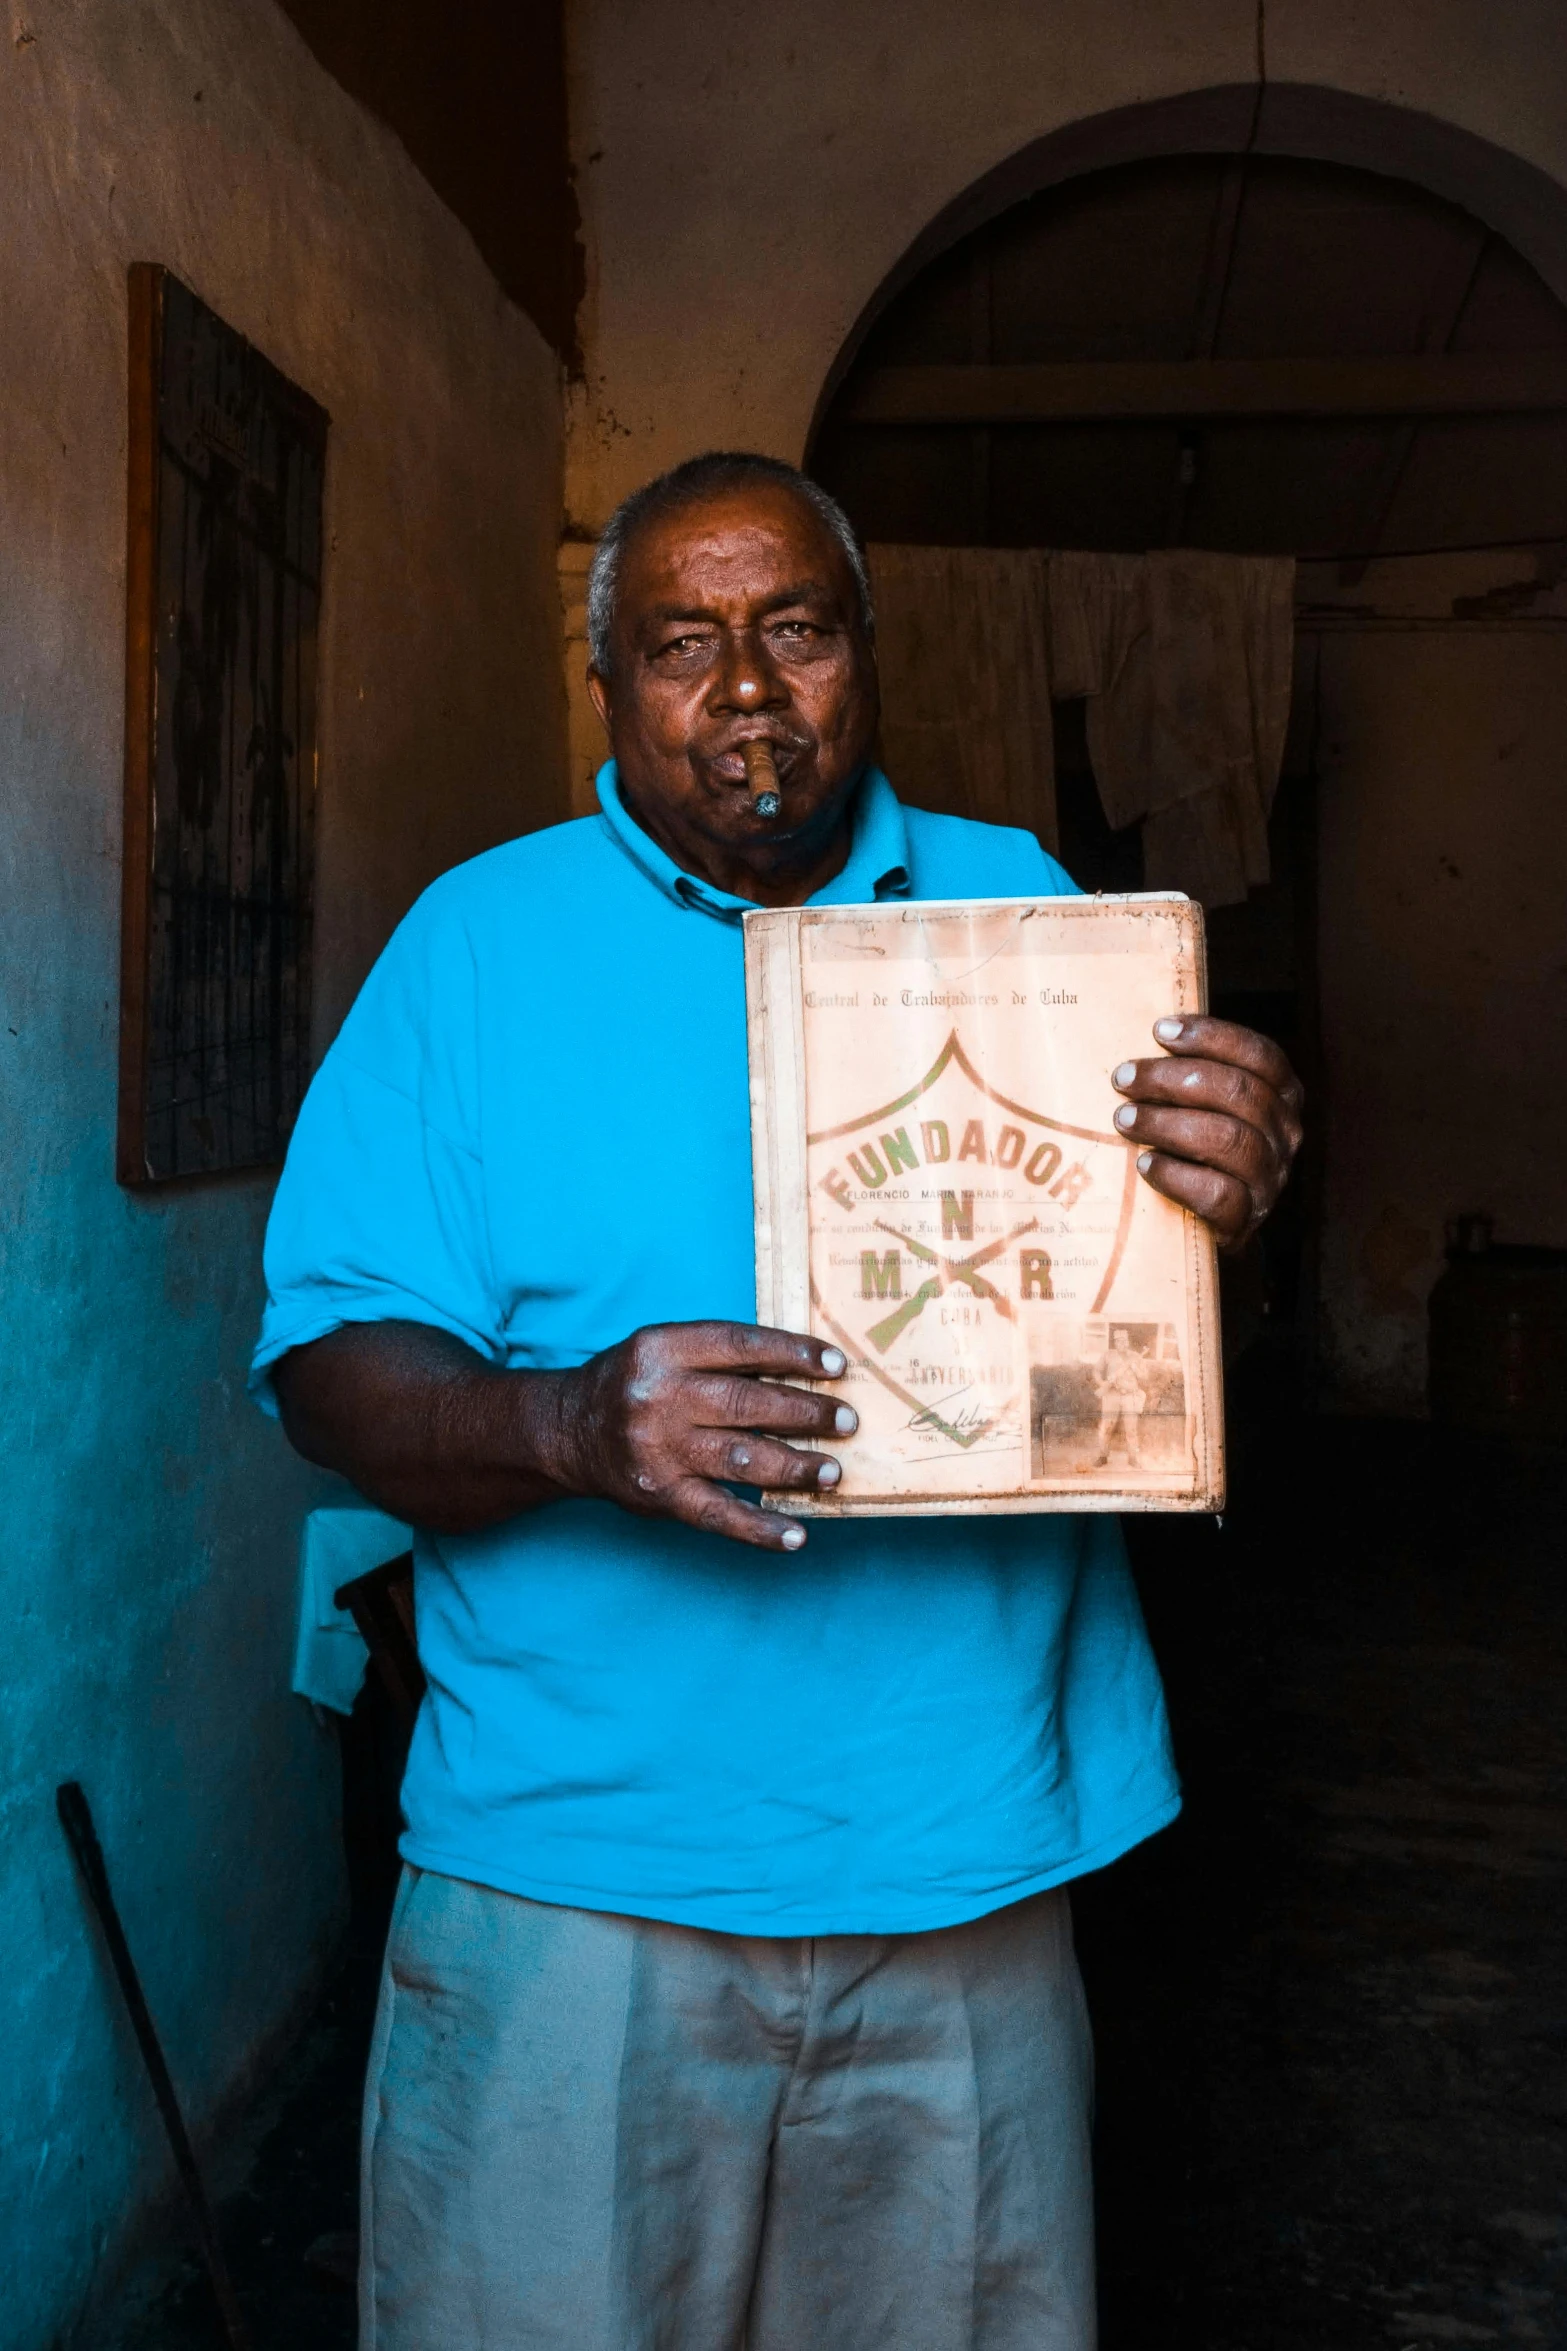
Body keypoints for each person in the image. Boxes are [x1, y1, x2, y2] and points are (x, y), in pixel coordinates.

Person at [254, 451, 1303, 2350]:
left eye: (795, 629)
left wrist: (1233, 1179)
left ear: (864, 658)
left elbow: (1127, 1286)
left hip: (968, 1864)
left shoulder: (1036, 912)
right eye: (681, 640)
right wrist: (571, 1427)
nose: (745, 688)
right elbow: (329, 1375)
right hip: (572, 1885)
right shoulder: (476, 949)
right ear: (608, 687)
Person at [1094, 1327, 1150, 1468]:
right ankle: (1103, 1456)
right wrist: (1102, 1383)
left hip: (1130, 1396)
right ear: (1114, 1342)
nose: (1121, 1343)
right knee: (1106, 1427)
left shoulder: (1136, 1356)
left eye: (1124, 1340)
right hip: (1111, 1395)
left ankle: (1133, 1458)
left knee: (1131, 1429)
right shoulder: (1108, 1355)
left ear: (1128, 1341)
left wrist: (1135, 1368)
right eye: (1118, 1341)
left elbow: (1144, 1376)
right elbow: (1096, 1370)